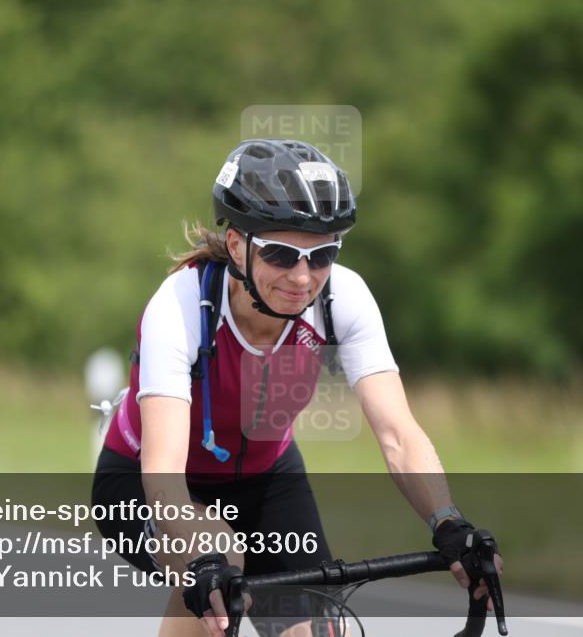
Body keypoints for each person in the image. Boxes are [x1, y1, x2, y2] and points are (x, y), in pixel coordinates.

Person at [92, 139, 503, 637]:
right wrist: (200, 558)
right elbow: (164, 481)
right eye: (282, 255)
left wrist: (448, 521)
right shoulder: (179, 306)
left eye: (323, 254)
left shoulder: (343, 297)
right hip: (145, 480)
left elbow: (399, 434)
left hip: (268, 480)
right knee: (218, 573)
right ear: (239, 245)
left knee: (317, 630)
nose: (303, 278)